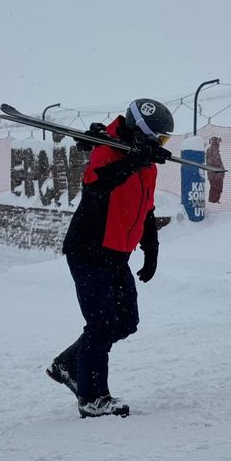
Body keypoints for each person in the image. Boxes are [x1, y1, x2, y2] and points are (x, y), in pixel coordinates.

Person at [48, 98, 173, 419]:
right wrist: (135, 159)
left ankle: (68, 364)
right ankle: (93, 398)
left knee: (126, 323)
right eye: (158, 139)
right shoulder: (107, 148)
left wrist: (151, 250)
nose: (160, 145)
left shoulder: (146, 162)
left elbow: (146, 207)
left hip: (117, 254)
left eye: (165, 142)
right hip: (89, 250)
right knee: (102, 325)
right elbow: (97, 185)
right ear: (141, 132)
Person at [206, 136, 225, 203]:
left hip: (213, 174)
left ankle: (214, 201)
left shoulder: (210, 150)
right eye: (218, 142)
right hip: (215, 175)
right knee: (216, 188)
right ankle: (214, 201)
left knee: (214, 188)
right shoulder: (214, 150)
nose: (219, 144)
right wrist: (221, 169)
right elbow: (215, 162)